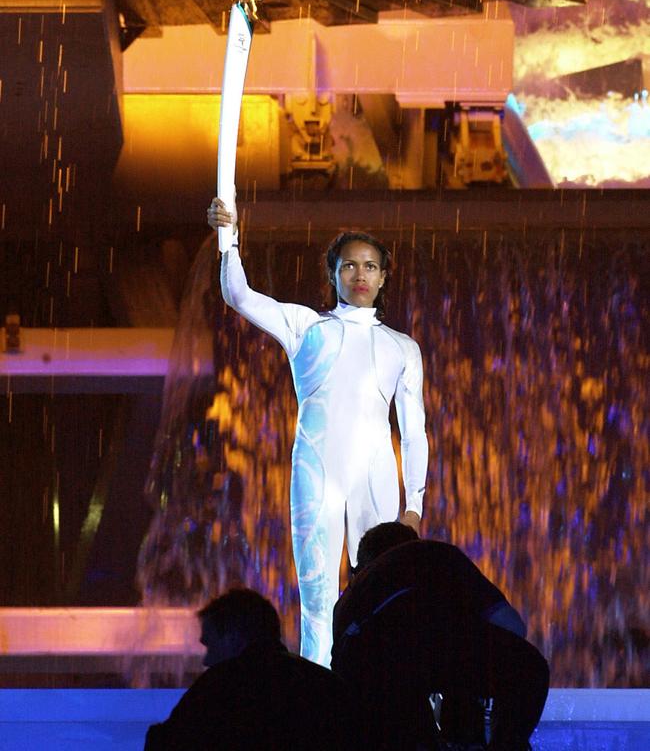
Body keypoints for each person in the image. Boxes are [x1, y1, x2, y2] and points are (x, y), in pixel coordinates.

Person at [207, 196, 429, 665]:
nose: (360, 275)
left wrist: (414, 505)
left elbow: (414, 434)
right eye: (349, 266)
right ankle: (319, 699)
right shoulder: (306, 327)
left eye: (370, 267)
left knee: (384, 597)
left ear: (384, 277)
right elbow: (238, 295)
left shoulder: (403, 348)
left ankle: (385, 696)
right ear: (334, 275)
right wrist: (229, 241)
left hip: (378, 480)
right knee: (318, 594)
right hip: (317, 472)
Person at [332, 522, 549, 751]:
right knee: (530, 669)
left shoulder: (347, 602)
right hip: (422, 663)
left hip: (365, 686)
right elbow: (512, 627)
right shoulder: (432, 555)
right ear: (415, 544)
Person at [144, 587, 354, 751]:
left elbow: (168, 742)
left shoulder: (218, 690)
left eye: (209, 644)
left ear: (233, 637)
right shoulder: (327, 686)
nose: (206, 660)